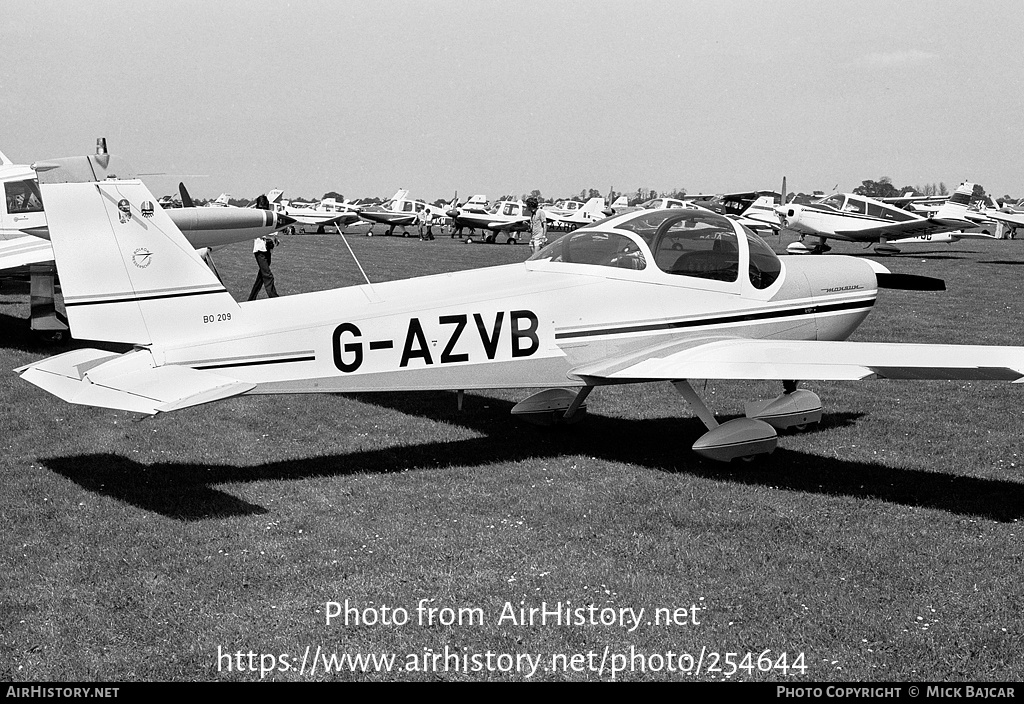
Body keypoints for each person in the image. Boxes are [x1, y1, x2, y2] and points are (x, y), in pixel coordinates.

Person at [248, 195, 280, 300]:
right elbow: (257, 233)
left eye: (264, 208)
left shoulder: (268, 216)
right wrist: (269, 236)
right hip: (259, 250)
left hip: (268, 249)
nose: (262, 210)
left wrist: (275, 238)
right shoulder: (256, 218)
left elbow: (272, 230)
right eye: (260, 207)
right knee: (268, 275)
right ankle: (274, 297)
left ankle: (251, 299)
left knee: (261, 278)